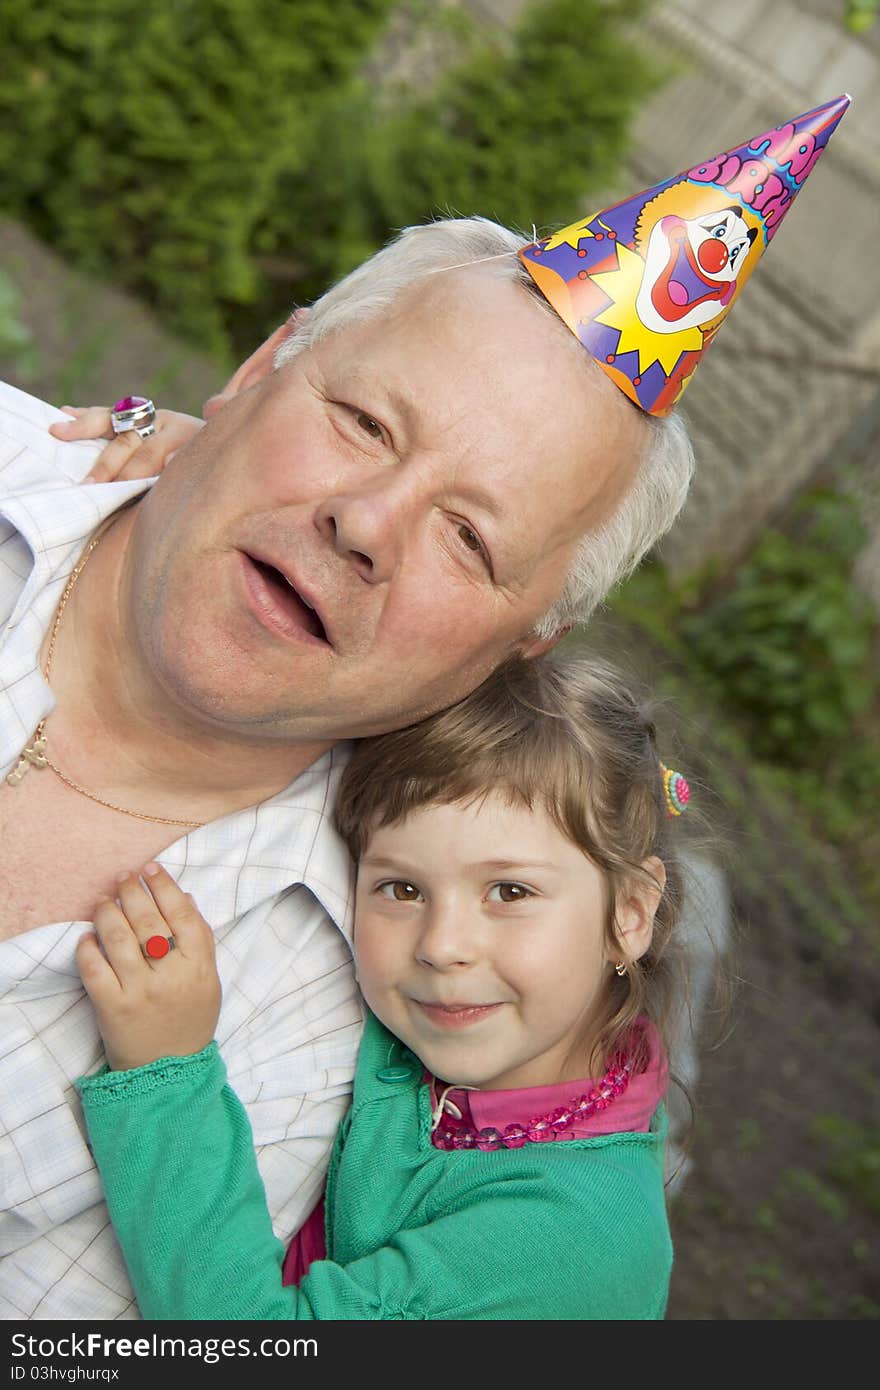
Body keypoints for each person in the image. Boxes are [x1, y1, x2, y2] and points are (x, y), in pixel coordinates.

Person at [0, 216, 691, 1319]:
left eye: (470, 539)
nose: (366, 522)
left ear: (520, 644)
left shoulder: (333, 1019)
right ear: (261, 366)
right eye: (363, 423)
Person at [76, 651, 689, 1321]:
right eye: (402, 888)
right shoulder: (460, 1043)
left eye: (510, 891)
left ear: (630, 911)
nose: (440, 946)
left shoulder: (575, 1246)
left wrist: (166, 1072)